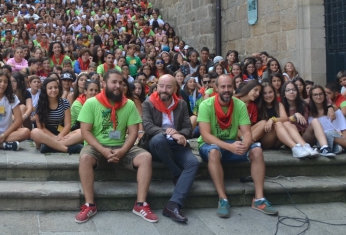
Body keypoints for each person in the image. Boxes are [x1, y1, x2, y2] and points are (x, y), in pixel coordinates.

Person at [75, 69, 158, 224]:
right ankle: (89, 204)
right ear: (104, 83)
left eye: (120, 82)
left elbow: (133, 133)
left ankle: (140, 204)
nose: (118, 86)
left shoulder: (129, 104)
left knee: (146, 156)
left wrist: (122, 151)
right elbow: (85, 132)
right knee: (85, 157)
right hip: (97, 146)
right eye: (114, 82)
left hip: (121, 144)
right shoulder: (91, 103)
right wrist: (103, 150)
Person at [197, 74, 278, 218]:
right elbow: (205, 135)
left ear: (233, 87)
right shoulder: (206, 105)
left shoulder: (239, 105)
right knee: (214, 151)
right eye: (223, 86)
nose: (226, 89)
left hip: (232, 143)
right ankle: (223, 199)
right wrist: (230, 147)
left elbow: (247, 133)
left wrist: (245, 145)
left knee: (257, 150)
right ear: (216, 88)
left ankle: (259, 199)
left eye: (229, 86)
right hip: (209, 144)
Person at [141, 74, 197, 223]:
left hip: (177, 144)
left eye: (168, 87)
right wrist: (168, 132)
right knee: (159, 139)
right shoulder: (148, 103)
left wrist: (179, 134)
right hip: (157, 144)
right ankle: (177, 173)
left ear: (175, 88)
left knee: (193, 163)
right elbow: (148, 127)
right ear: (157, 86)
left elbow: (188, 128)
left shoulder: (182, 104)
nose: (163, 90)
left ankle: (173, 205)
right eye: (161, 86)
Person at [31, 77, 82, 154]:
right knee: (35, 132)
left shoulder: (65, 102)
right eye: (50, 88)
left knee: (81, 132)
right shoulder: (40, 105)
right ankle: (67, 149)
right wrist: (54, 138)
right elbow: (41, 128)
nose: (54, 90)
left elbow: (67, 125)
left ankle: (49, 147)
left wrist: (59, 137)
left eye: (56, 87)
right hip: (46, 135)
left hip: (62, 134)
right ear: (45, 90)